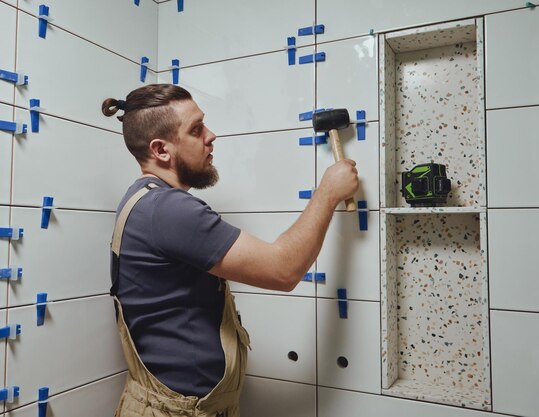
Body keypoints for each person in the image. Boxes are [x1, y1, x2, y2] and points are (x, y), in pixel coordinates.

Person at [101, 84, 358, 417]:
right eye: (196, 130)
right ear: (161, 150)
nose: (211, 136)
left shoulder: (149, 201)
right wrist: (328, 193)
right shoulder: (168, 210)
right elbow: (283, 270)